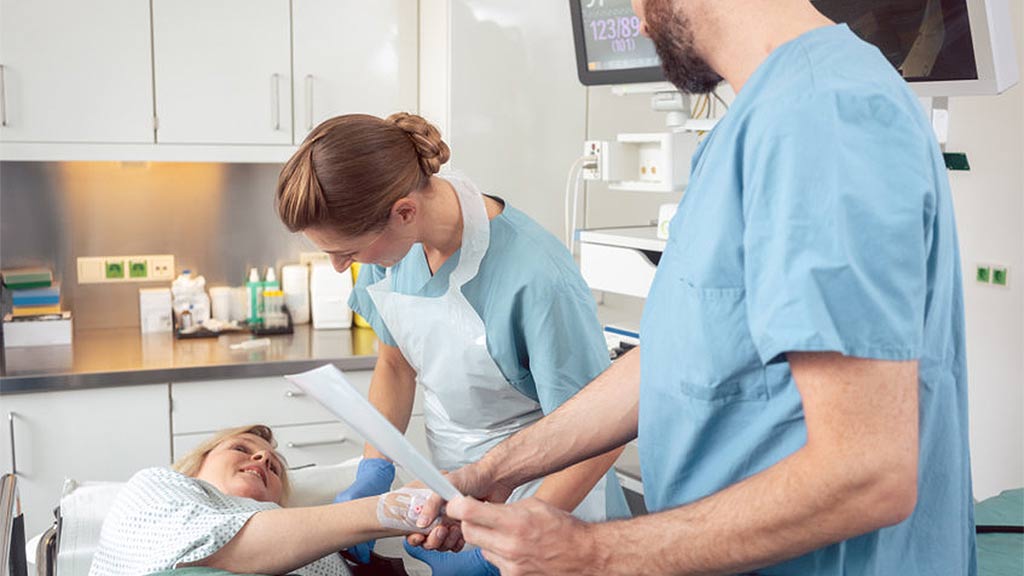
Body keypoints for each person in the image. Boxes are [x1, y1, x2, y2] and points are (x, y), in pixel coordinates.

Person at [413, 0, 976, 574]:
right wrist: (498, 469)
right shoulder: (758, 118)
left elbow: (866, 473)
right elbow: (673, 359)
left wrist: (590, 553)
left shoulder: (820, 113)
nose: (636, 22)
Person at [275, 112, 630, 574]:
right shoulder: (396, 248)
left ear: (404, 211)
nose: (342, 268)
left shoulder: (538, 279)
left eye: (348, 251)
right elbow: (396, 364)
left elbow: (601, 434)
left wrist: (513, 540)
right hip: (457, 491)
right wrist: (374, 468)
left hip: (551, 498)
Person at [88, 424, 434, 576]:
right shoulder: (154, 486)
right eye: (241, 449)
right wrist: (400, 507)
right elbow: (219, 549)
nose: (263, 460)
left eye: (275, 468)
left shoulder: (316, 547)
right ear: (198, 464)